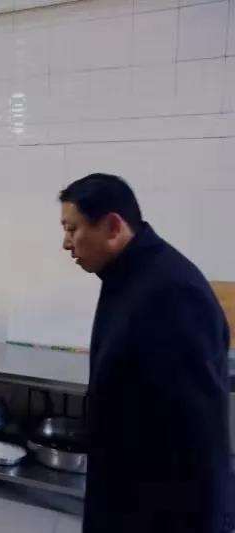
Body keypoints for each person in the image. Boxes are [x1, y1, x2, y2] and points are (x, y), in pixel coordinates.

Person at [59, 173, 231, 533]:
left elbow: (196, 437)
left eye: (72, 229)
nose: (66, 243)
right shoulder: (128, 275)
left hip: (160, 512)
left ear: (112, 227)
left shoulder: (172, 291)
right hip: (128, 495)